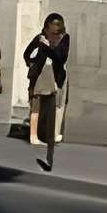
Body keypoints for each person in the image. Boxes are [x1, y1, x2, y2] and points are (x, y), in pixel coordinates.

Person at [24, 14, 70, 148]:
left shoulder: (64, 39)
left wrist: (47, 47)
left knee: (56, 105)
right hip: (39, 75)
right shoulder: (40, 38)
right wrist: (31, 63)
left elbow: (60, 58)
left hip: (56, 76)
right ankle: (33, 135)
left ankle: (53, 134)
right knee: (36, 105)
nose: (54, 32)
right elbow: (27, 53)